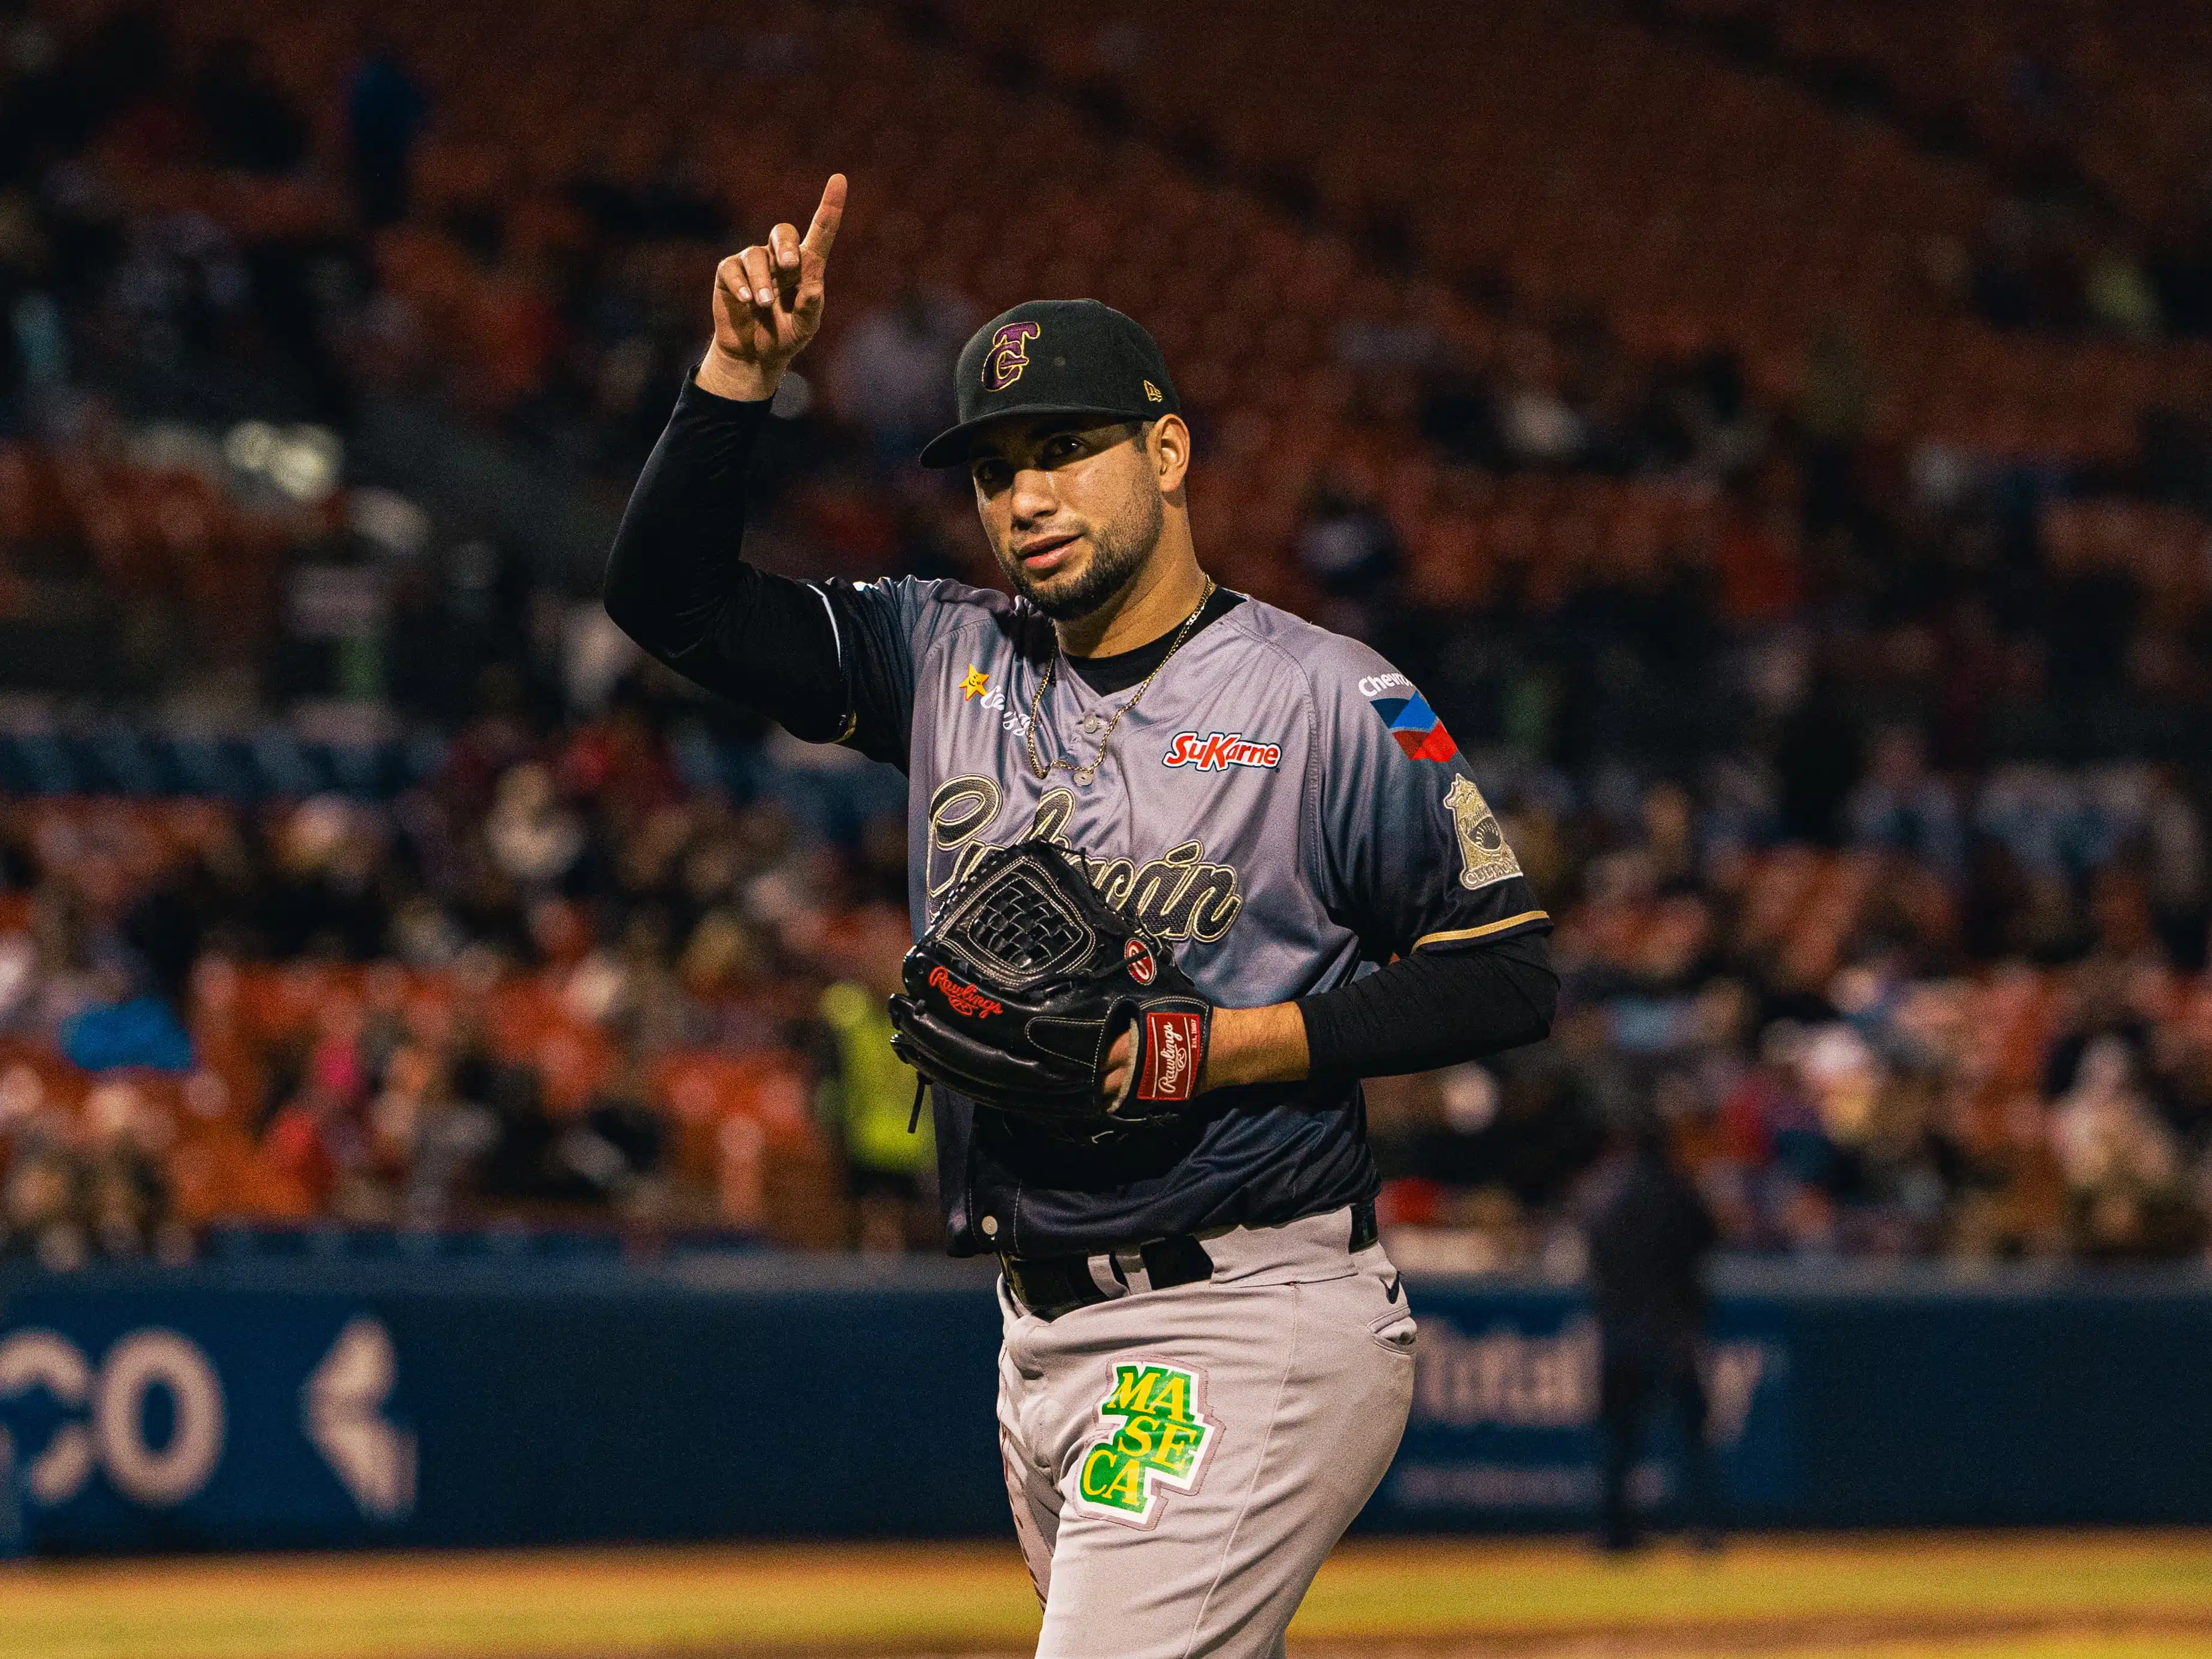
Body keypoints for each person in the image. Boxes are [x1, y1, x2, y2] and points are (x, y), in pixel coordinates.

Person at [603, 175, 1557, 1659]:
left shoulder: (1328, 697)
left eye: (1064, 452)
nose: (1025, 499)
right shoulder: (944, 655)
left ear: (1166, 451)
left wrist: (1211, 1048)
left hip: (1240, 1308)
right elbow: (669, 598)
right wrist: (737, 376)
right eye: (994, 471)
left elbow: (1505, 974)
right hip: (1037, 1330)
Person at [1579, 1112, 1724, 1552]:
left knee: (1620, 1437)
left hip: (1620, 1327)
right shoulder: (1679, 1191)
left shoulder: (1606, 1193)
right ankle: (1701, 1529)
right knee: (1690, 1434)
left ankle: (1614, 1531)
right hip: (1671, 1328)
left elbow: (1593, 1253)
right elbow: (1708, 1239)